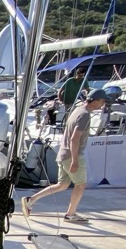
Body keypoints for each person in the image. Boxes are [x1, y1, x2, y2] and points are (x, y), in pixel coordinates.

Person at [21, 88, 109, 224]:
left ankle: (31, 200)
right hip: (72, 155)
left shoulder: (77, 110)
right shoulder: (85, 115)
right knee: (80, 184)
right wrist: (75, 160)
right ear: (95, 101)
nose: (103, 105)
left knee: (62, 185)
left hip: (63, 153)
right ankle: (70, 214)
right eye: (102, 101)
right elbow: (75, 138)